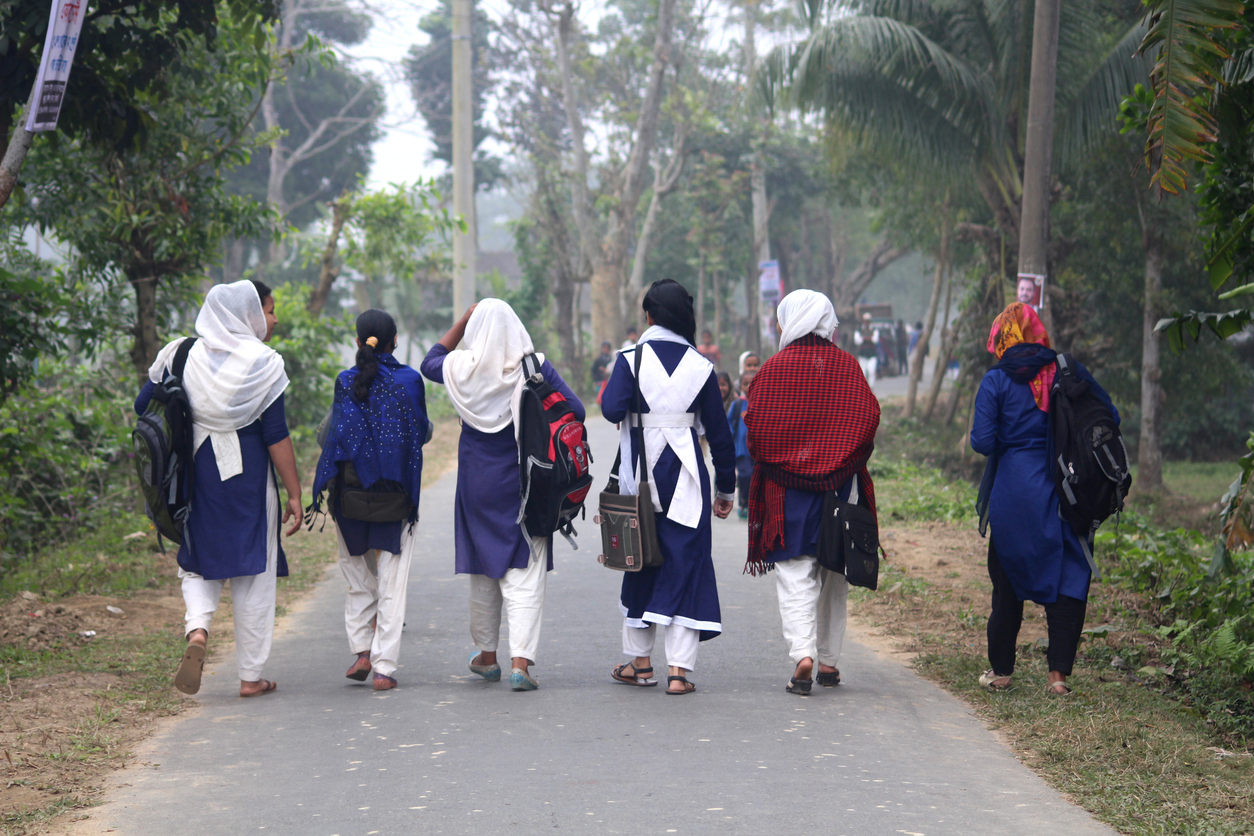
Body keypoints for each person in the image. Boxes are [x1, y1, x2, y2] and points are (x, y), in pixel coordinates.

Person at [137, 279, 302, 699]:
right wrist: (295, 493)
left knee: (196, 558)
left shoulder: (179, 352)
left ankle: (197, 631)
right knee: (254, 572)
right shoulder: (264, 364)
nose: (273, 318)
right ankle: (250, 677)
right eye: (268, 309)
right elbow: (276, 434)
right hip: (247, 479)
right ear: (247, 316)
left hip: (196, 474)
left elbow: (144, 406)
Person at [421, 299, 584, 692]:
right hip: (524, 482)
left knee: (483, 566)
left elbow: (430, 361)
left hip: (476, 484)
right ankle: (520, 664)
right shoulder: (533, 368)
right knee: (525, 567)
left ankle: (487, 657)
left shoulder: (460, 368)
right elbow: (575, 409)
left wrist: (463, 320)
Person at [971, 303, 1118, 696]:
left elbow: (982, 441)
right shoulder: (1067, 370)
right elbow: (1110, 417)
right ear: (1038, 333)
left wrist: (1014, 438)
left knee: (1007, 579)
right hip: (1068, 489)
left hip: (1014, 490)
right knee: (1069, 574)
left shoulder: (996, 381)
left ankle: (1001, 672)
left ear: (1003, 337)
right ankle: (1058, 678)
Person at [602, 279, 735, 695]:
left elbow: (609, 410)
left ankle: (640, 665)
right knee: (686, 565)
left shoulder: (630, 359)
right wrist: (726, 491)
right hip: (688, 479)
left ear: (648, 315)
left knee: (639, 559)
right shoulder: (702, 367)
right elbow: (721, 436)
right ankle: (679, 672)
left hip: (638, 477)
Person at [744, 290, 880, 696]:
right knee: (834, 573)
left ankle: (802, 654)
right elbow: (868, 419)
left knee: (795, 573)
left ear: (789, 321)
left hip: (788, 494)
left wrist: (784, 462)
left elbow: (756, 431)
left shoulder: (771, 370)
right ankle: (829, 663)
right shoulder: (848, 366)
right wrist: (840, 461)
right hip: (840, 490)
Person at [312, 310, 429, 691]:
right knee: (393, 583)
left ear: (358, 341)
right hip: (395, 499)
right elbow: (420, 433)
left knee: (359, 576)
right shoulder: (409, 380)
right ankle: (384, 669)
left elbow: (334, 436)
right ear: (394, 342)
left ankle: (362, 650)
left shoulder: (345, 382)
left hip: (349, 498)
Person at [726, 371, 755, 520]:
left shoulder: (764, 401)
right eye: (745, 383)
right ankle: (743, 502)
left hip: (758, 451)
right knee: (745, 476)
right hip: (742, 450)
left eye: (753, 382)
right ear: (740, 386)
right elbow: (729, 423)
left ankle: (754, 504)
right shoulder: (738, 404)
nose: (749, 386)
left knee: (756, 477)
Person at [853, 313, 879, 385]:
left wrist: (865, 338)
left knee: (871, 371)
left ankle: (871, 387)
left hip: (872, 355)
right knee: (863, 373)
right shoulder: (859, 330)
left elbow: (875, 340)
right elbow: (858, 341)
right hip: (863, 355)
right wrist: (867, 338)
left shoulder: (874, 330)